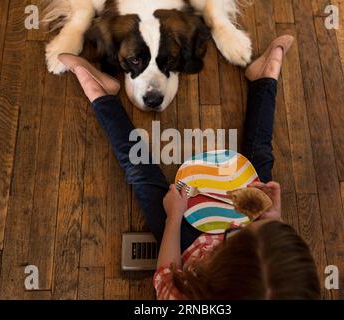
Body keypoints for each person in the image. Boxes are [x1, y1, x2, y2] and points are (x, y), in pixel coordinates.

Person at [59, 35, 321, 300]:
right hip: (234, 246)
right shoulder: (285, 286)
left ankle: (102, 96)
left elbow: (165, 276)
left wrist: (174, 218)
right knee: (260, 156)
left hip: (184, 245)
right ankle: (264, 80)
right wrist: (270, 219)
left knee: (142, 176)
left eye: (243, 235)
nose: (236, 227)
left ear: (218, 271)